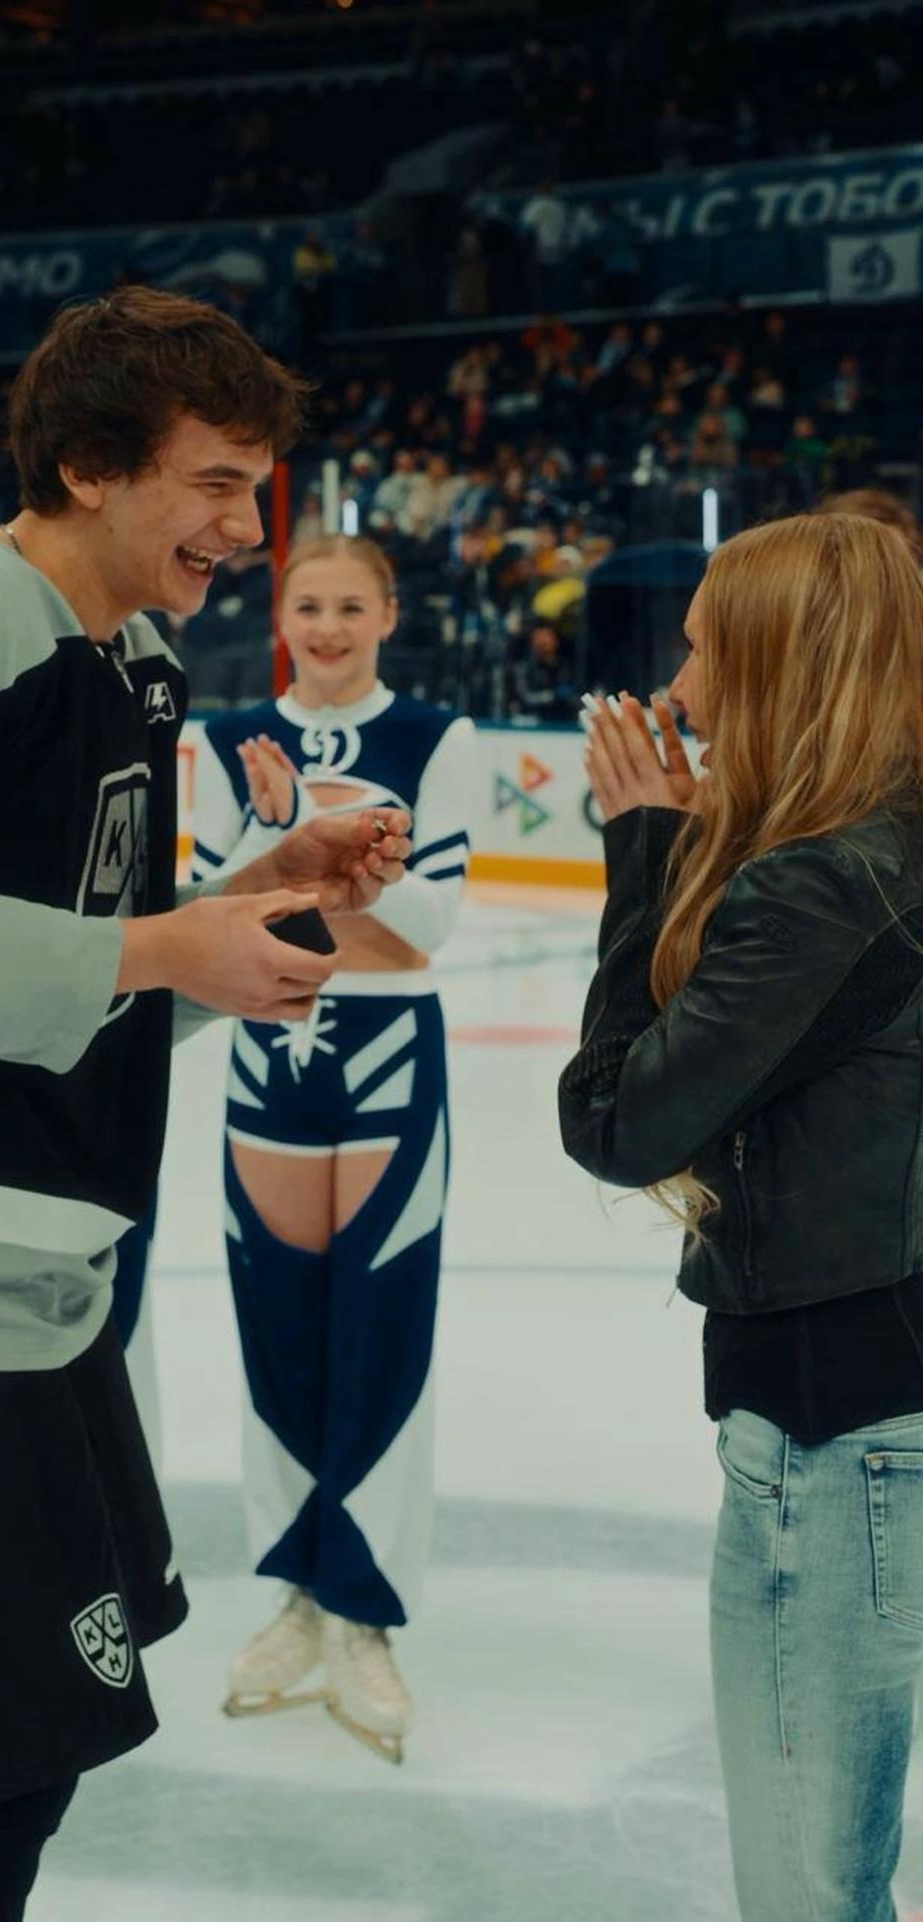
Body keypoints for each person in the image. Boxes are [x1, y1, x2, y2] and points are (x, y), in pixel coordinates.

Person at [0, 284, 413, 1920]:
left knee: (10, 1765)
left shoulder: (137, 662)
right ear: (91, 465)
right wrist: (164, 943)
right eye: (215, 481)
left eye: (259, 486)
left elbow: (79, 974)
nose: (246, 526)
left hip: (30, 1305)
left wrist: (246, 903)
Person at [560, 512, 923, 1921]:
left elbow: (617, 1119)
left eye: (707, 651)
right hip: (887, 1398)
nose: (681, 687)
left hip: (844, 1438)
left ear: (782, 667)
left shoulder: (826, 884)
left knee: (808, 1890)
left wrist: (643, 847)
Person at [190, 534, 476, 1764]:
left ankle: (364, 1610)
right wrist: (318, 883)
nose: (326, 625)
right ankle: (298, 1593)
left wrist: (297, 834)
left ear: (389, 614)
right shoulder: (227, 739)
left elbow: (427, 930)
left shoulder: (437, 738)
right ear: (280, 614)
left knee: (381, 1325)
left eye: (351, 605)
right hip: (270, 1049)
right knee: (280, 1325)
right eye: (307, 603)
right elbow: (211, 916)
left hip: (393, 1054)